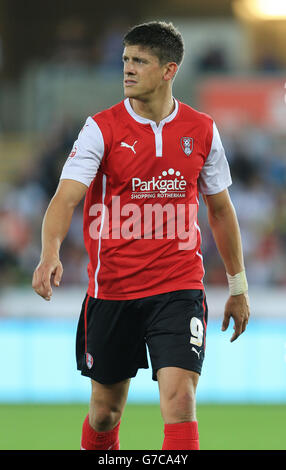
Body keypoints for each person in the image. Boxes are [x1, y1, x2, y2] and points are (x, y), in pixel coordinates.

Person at [32, 21, 250, 451]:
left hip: (178, 286)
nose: (127, 69)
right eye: (126, 59)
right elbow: (65, 199)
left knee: (180, 398)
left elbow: (221, 210)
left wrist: (238, 285)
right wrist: (49, 252)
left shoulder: (202, 130)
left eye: (140, 61)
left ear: (169, 70)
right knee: (105, 411)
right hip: (112, 290)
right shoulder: (101, 128)